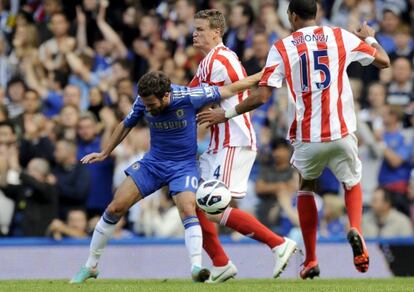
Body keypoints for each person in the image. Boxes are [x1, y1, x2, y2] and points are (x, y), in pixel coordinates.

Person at [197, 0, 390, 279]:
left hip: (307, 136)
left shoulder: (283, 47)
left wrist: (225, 115)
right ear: (317, 13)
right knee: (351, 181)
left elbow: (262, 97)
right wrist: (369, 35)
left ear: (292, 16)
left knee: (306, 186)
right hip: (341, 131)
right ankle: (356, 227)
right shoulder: (339, 36)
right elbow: (383, 61)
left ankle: (310, 259)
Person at [69, 70, 262, 284]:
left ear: (166, 95)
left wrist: (264, 74)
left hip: (183, 166)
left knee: (188, 210)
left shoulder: (189, 96)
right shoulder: (142, 101)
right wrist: (105, 152)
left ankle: (196, 267)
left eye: (152, 104)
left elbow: (230, 88)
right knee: (115, 207)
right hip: (153, 163)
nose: (148, 108)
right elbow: (126, 124)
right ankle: (90, 266)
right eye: (146, 104)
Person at [190, 9, 297, 282]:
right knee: (195, 205)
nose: (194, 33)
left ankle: (278, 244)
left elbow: (208, 99)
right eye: (195, 28)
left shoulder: (221, 60)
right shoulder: (207, 62)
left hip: (233, 139)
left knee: (212, 206)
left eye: (200, 29)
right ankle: (222, 263)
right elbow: (189, 95)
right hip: (219, 141)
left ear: (215, 33)